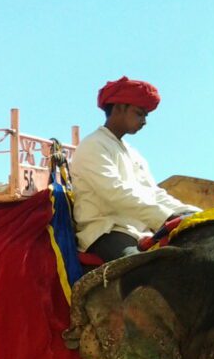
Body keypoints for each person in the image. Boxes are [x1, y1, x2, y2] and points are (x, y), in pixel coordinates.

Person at [70, 77, 199, 261]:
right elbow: (116, 193)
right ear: (119, 108)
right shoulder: (93, 145)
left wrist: (193, 214)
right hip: (106, 231)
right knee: (149, 272)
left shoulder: (134, 154)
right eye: (140, 113)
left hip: (140, 233)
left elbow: (154, 194)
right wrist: (167, 217)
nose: (144, 121)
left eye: (145, 115)